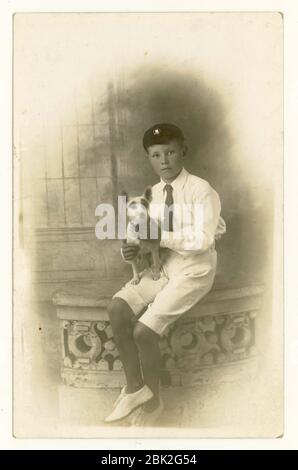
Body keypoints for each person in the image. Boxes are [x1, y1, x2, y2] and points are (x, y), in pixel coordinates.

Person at [105, 123, 226, 426]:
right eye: (156, 155)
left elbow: (204, 239)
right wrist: (130, 251)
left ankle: (153, 404)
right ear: (149, 158)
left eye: (170, 152)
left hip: (194, 270)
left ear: (183, 150)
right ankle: (135, 389)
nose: (164, 161)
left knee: (143, 332)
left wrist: (160, 238)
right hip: (163, 267)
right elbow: (140, 238)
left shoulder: (201, 189)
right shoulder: (153, 195)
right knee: (117, 308)